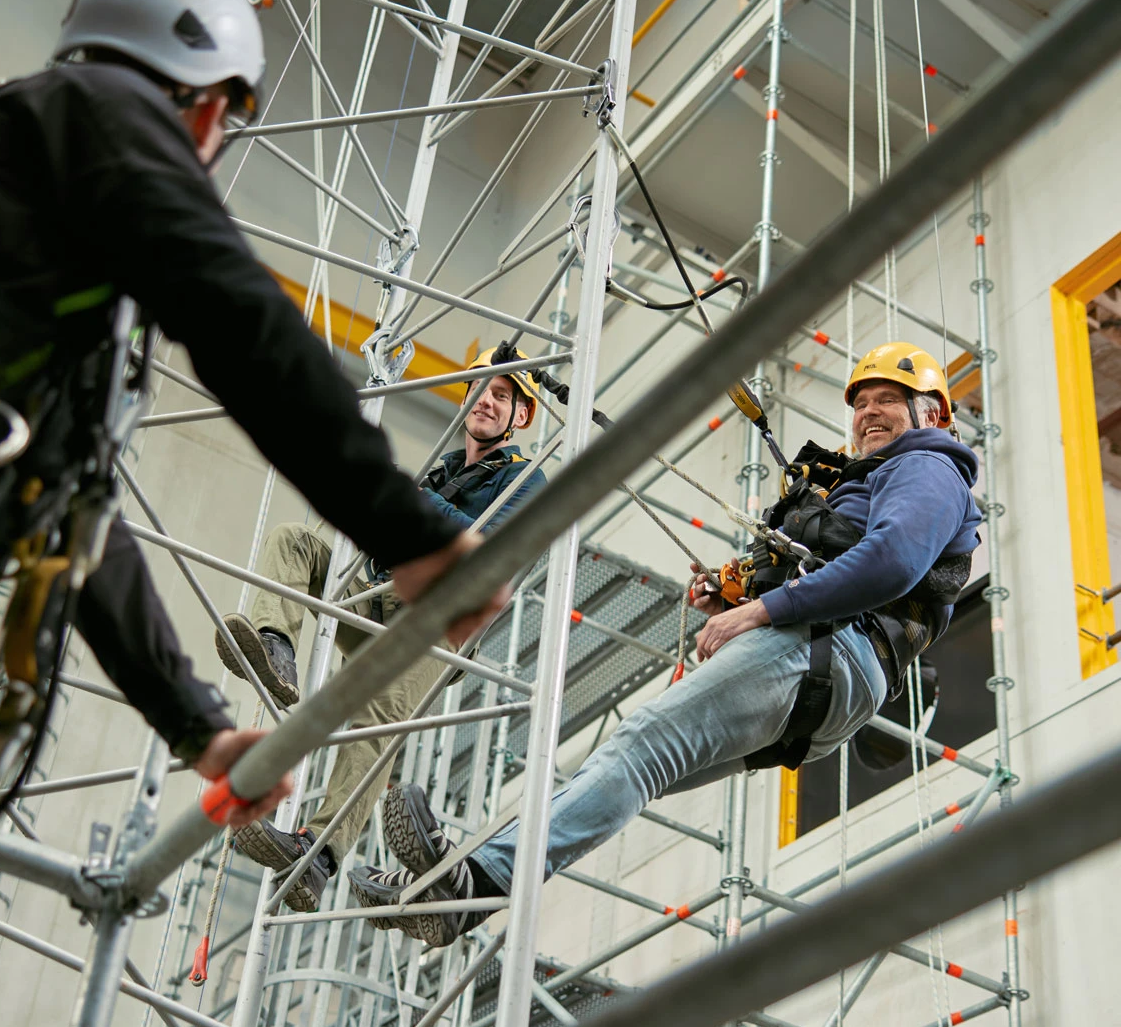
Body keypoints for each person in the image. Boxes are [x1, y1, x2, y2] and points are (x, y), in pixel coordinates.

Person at [0, 0, 504, 1027]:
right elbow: (232, 310)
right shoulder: (90, 111)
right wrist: (409, 533)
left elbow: (75, 523)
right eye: (221, 121)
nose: (211, 147)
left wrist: (199, 727)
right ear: (200, 97)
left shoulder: (37, 280)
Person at [348, 342, 983, 946]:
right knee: (638, 765)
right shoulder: (872, 481)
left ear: (930, 414)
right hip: (827, 678)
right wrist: (735, 602)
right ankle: (456, 889)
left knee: (639, 743)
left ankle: (472, 883)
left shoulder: (928, 466)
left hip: (829, 649)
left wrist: (762, 609)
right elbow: (855, 562)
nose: (869, 412)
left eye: (887, 399)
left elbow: (891, 563)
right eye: (861, 402)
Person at [214, 347, 547, 910]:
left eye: (502, 395)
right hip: (379, 594)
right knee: (294, 543)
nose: (486, 400)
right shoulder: (442, 470)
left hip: (437, 620)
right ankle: (275, 649)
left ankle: (318, 854)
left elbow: (490, 552)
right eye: (480, 388)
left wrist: (414, 500)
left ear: (521, 416)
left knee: (380, 717)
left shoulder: (524, 480)